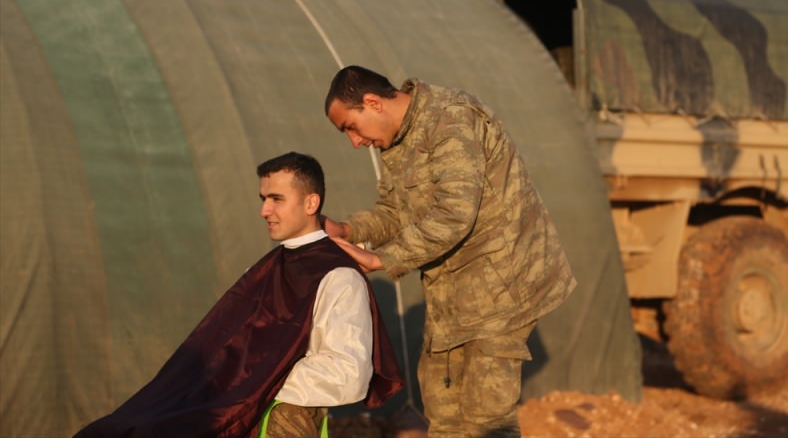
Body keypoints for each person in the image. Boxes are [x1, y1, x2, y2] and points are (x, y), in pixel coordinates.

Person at [323, 65, 576, 438]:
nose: (355, 142)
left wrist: (382, 259)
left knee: (487, 421)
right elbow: (395, 213)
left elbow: (455, 213)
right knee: (444, 418)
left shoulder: (450, 117)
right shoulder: (399, 140)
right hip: (451, 297)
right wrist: (346, 230)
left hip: (500, 291)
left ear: (373, 103)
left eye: (350, 127)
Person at [74, 151, 403, 438]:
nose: (264, 210)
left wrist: (258, 380)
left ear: (311, 203)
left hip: (284, 420)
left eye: (276, 199)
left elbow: (349, 375)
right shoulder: (259, 271)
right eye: (263, 199)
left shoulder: (339, 277)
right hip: (232, 412)